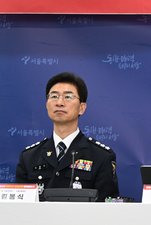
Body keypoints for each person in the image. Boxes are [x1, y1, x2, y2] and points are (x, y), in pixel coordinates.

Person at [15, 72, 119, 201]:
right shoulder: (29, 157)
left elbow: (108, 210)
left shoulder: (101, 156)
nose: (59, 102)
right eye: (54, 96)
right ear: (47, 105)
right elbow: (19, 207)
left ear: (82, 108)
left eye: (68, 97)